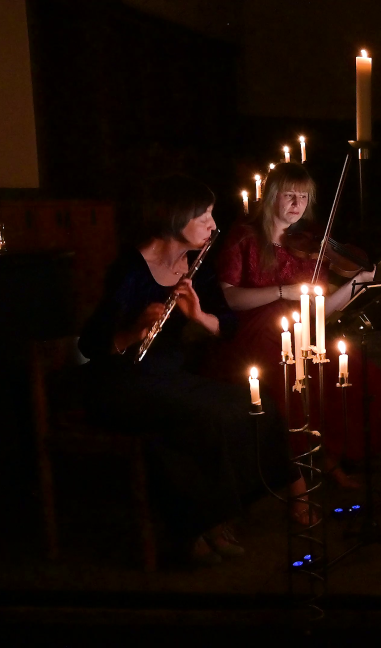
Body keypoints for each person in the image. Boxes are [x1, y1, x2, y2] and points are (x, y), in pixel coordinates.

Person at [78, 175, 304, 566]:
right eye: (204, 217)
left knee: (253, 403)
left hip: (169, 377)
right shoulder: (130, 269)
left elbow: (227, 326)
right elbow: (91, 346)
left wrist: (199, 315)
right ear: (176, 217)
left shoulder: (197, 267)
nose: (213, 226)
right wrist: (134, 330)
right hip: (121, 381)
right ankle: (197, 528)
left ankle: (223, 515)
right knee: (197, 419)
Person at [211, 162, 381, 487]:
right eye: (289, 195)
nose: (297, 204)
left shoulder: (312, 245)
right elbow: (229, 297)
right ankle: (296, 485)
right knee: (288, 385)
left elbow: (320, 311)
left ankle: (329, 458)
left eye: (303, 196)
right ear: (272, 195)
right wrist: (284, 291)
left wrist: (358, 283)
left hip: (302, 329)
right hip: (257, 330)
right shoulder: (245, 236)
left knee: (355, 376)